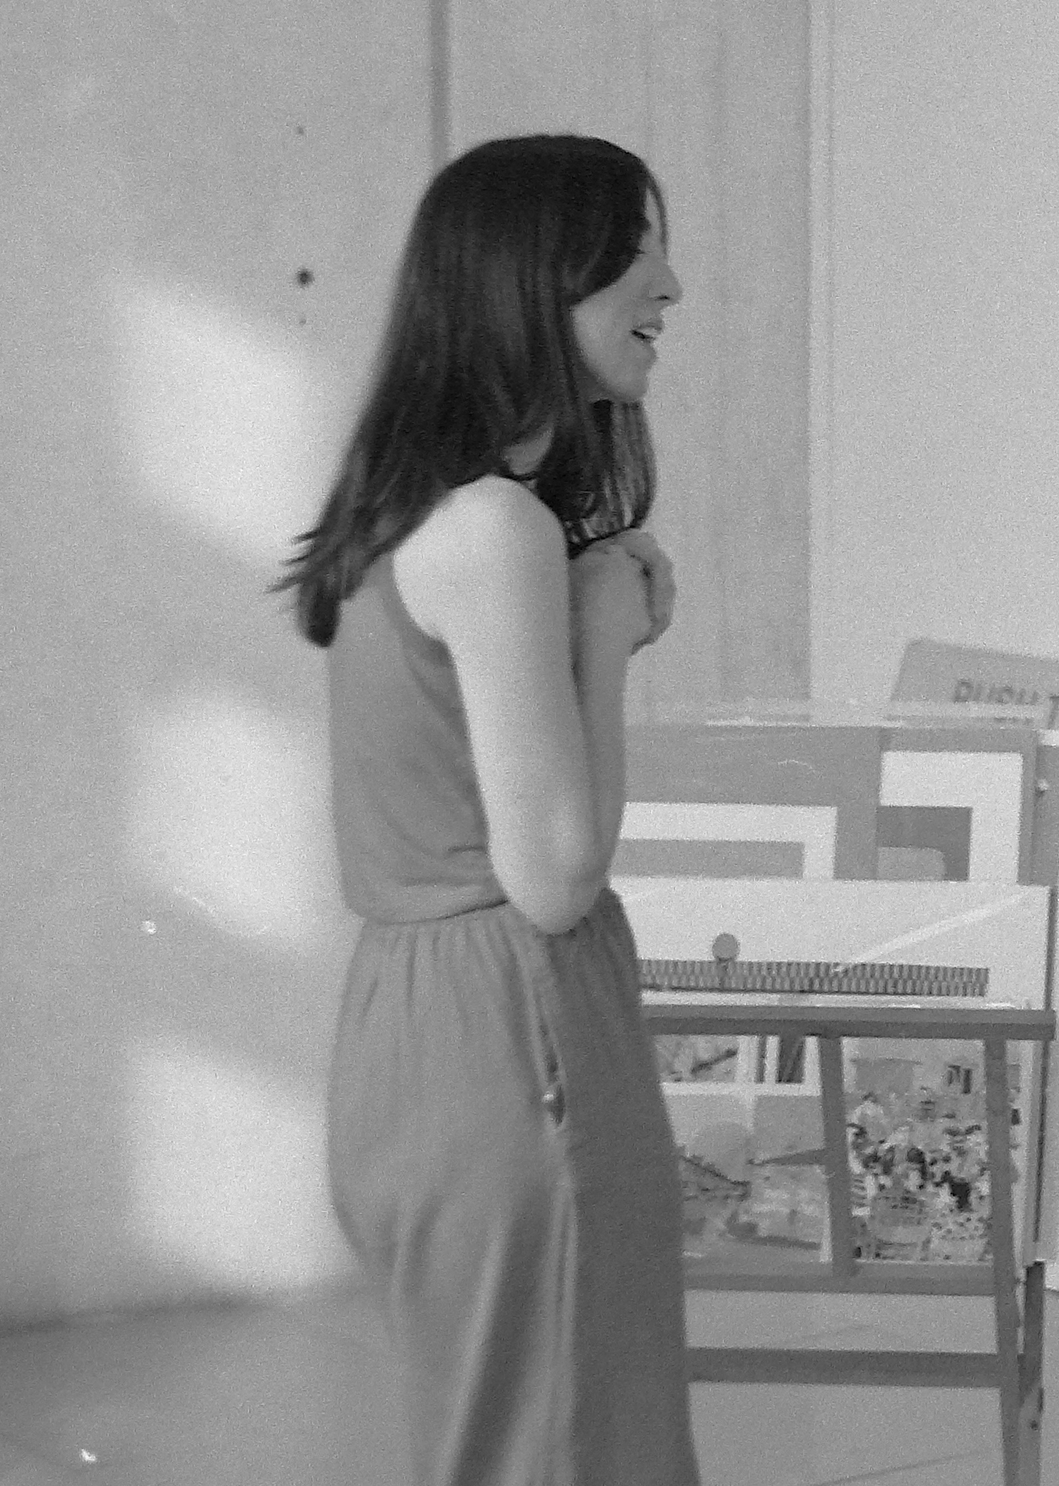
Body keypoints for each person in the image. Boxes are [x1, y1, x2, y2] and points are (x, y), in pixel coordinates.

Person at [278, 136, 698, 1486]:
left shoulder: (405, 514)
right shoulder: (498, 531)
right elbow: (558, 870)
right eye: (637, 248)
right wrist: (605, 632)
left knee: (508, 1441)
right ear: (537, 282)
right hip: (513, 1025)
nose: (671, 284)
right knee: (577, 1449)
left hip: (411, 1023)